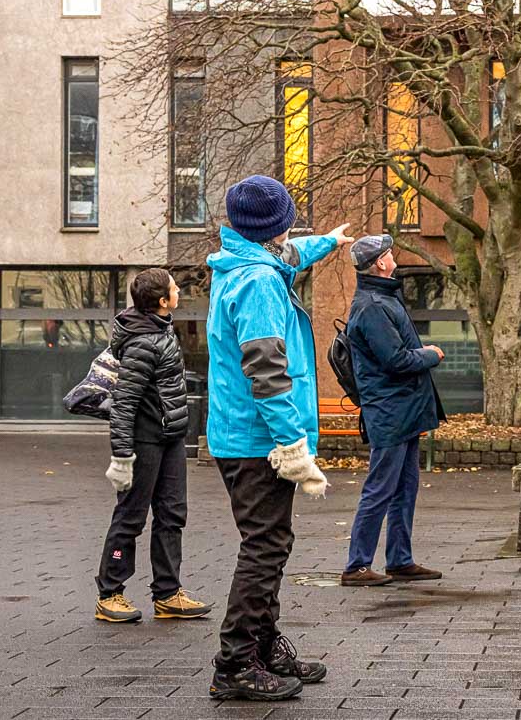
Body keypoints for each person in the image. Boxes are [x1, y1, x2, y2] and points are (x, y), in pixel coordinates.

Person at [205, 175, 355, 702]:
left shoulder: (243, 262)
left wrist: (329, 242)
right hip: (259, 441)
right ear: (278, 225)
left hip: (242, 435)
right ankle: (235, 664)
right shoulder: (258, 283)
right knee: (264, 548)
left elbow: (291, 253)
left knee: (270, 543)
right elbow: (267, 371)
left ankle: (264, 649)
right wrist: (292, 446)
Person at [96, 268, 212, 624]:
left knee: (172, 514)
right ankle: (110, 594)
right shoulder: (143, 342)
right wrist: (121, 456)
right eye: (175, 288)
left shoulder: (161, 329)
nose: (179, 291)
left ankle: (167, 594)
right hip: (144, 442)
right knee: (131, 517)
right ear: (162, 301)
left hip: (170, 437)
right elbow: (124, 404)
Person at [341, 234, 447, 587]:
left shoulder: (384, 298)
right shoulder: (372, 306)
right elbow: (395, 360)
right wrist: (430, 354)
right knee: (380, 489)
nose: (393, 257)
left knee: (405, 488)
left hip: (403, 410)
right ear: (379, 263)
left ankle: (400, 560)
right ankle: (357, 566)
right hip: (390, 411)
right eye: (388, 253)